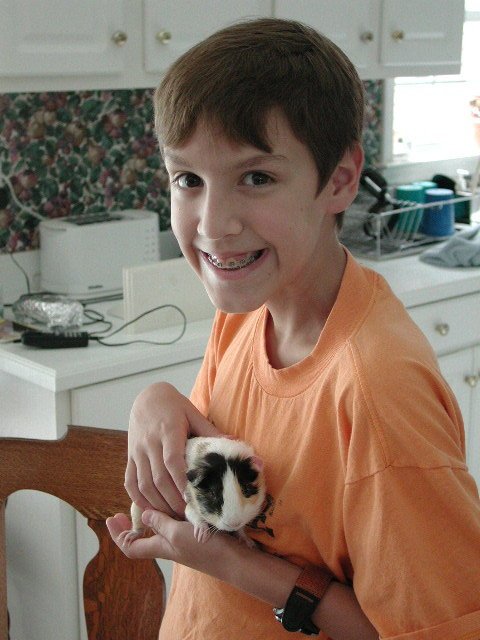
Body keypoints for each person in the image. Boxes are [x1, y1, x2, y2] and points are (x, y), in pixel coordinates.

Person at [106, 17, 480, 640]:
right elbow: (221, 483)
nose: (214, 224)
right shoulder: (250, 311)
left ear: (339, 180)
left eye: (256, 178)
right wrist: (156, 401)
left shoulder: (377, 391)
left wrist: (234, 566)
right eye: (188, 179)